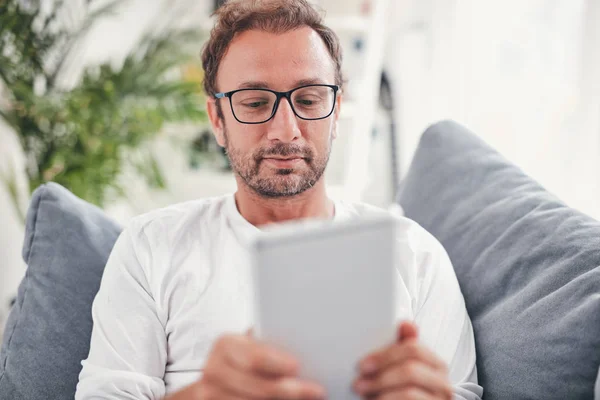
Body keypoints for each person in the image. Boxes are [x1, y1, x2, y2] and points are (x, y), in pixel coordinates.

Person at [75, 0, 483, 399]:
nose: (285, 131)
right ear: (217, 120)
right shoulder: (151, 245)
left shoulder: (415, 253)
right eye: (255, 103)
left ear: (336, 111)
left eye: (308, 100)